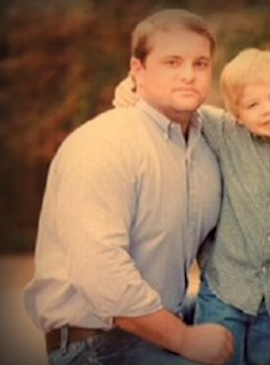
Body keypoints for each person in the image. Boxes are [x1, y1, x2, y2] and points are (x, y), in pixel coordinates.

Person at [23, 9, 234, 365]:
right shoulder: (104, 144)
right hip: (95, 345)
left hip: (167, 320)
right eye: (172, 62)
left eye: (200, 63)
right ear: (138, 70)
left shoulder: (205, 149)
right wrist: (185, 339)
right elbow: (103, 275)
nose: (188, 75)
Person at [113, 48, 270, 365]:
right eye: (253, 104)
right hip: (225, 292)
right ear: (237, 114)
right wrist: (133, 90)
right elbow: (177, 105)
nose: (267, 110)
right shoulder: (227, 133)